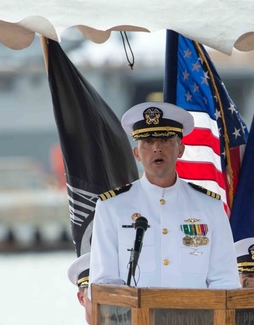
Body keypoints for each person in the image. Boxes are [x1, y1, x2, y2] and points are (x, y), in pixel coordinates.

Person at [89, 101, 240, 290]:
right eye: (148, 142)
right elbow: (103, 283)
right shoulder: (112, 207)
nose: (156, 148)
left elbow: (225, 281)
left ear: (181, 149)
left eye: (165, 140)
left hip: (196, 317)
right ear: (136, 153)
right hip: (135, 319)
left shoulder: (209, 206)